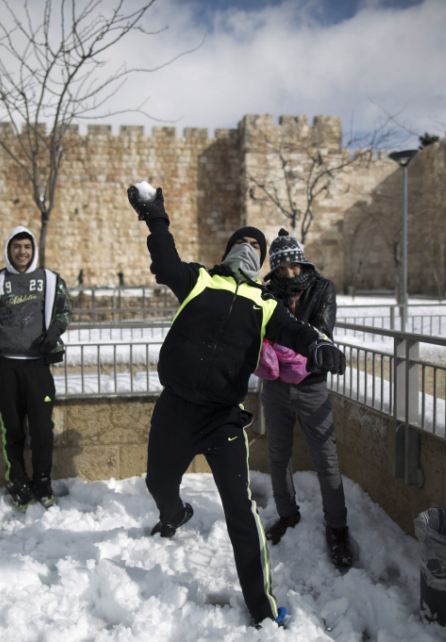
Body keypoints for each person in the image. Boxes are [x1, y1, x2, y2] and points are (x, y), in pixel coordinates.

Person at [127, 185, 345, 629]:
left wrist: (319, 347)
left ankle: (262, 607)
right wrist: (155, 217)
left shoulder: (264, 302)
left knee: (241, 514)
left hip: (223, 417)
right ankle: (174, 515)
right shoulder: (199, 281)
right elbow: (165, 262)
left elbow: (296, 331)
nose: (248, 250)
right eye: (242, 244)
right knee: (157, 482)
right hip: (177, 408)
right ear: (228, 251)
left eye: (255, 248)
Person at [259, 229, 355, 572]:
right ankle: (287, 514)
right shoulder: (269, 293)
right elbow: (264, 331)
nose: (289, 274)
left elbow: (322, 332)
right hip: (276, 386)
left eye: (293, 267)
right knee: (277, 453)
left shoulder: (322, 289)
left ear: (301, 263)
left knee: (326, 458)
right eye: (282, 269)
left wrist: (294, 347)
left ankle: (338, 528)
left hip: (312, 385)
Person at [0, 226, 71, 510]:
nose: (22, 252)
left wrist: (54, 332)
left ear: (33, 250)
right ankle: (18, 481)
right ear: (8, 250)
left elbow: (64, 311)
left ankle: (42, 481)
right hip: (6, 367)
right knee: (12, 429)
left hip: (38, 367)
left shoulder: (50, 280)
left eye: (27, 247)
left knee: (41, 429)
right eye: (17, 247)